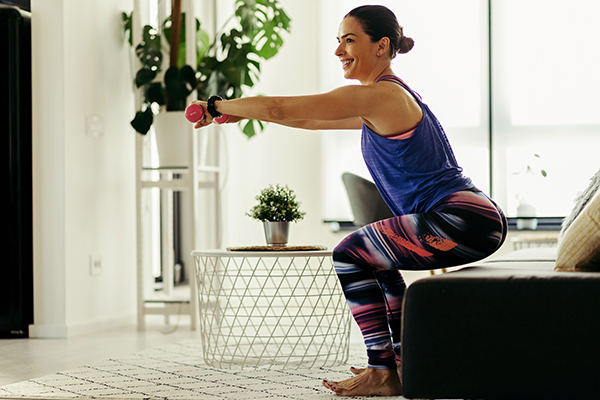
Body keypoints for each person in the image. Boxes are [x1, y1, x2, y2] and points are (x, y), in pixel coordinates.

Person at [191, 5, 507, 397]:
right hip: (468, 218)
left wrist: (219, 105)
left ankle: (381, 370)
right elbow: (307, 119)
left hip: (461, 219)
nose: (339, 50)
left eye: (350, 40)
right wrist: (239, 115)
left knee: (349, 252)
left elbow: (279, 106)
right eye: (338, 41)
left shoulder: (383, 96)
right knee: (374, 258)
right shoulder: (381, 100)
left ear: (382, 46)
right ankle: (396, 362)